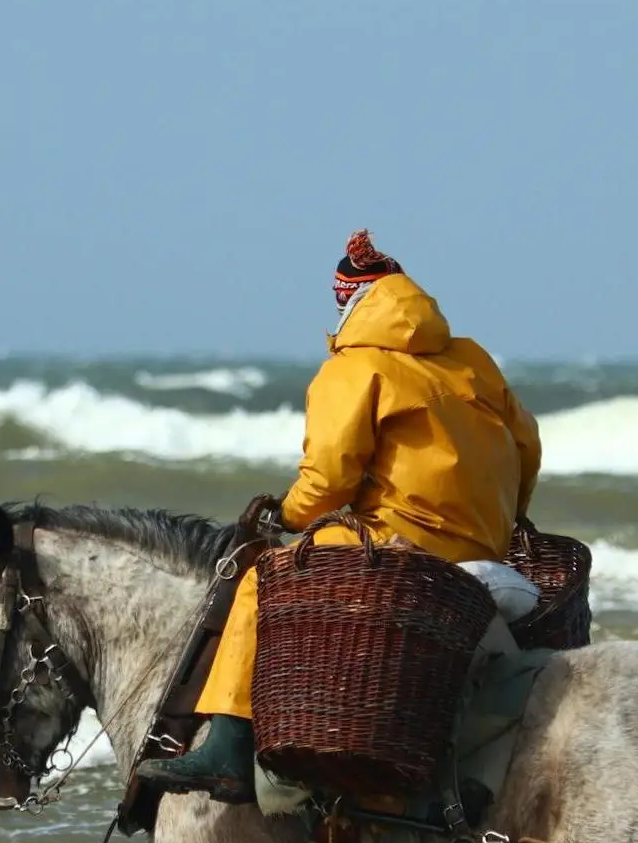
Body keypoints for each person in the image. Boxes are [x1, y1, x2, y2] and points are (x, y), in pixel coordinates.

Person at [138, 230, 542, 802]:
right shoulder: (473, 359)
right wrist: (503, 518)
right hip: (484, 546)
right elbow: (528, 448)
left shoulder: (354, 368)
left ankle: (226, 747)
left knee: (263, 580)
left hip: (396, 539)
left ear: (351, 301)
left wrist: (291, 513)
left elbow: (328, 479)